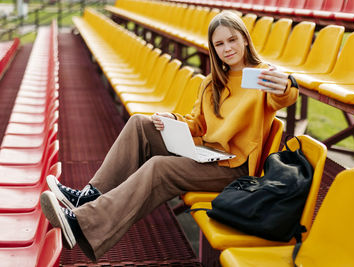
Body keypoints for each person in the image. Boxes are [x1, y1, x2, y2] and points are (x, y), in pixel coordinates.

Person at [40, 10, 299, 261]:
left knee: (159, 168)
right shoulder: (212, 83)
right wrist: (172, 121)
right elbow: (197, 125)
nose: (227, 48)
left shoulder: (262, 77)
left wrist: (287, 84)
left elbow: (283, 96)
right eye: (219, 43)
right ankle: (90, 195)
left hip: (235, 168)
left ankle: (81, 224)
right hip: (208, 154)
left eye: (232, 39)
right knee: (140, 123)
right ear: (213, 48)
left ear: (244, 38)